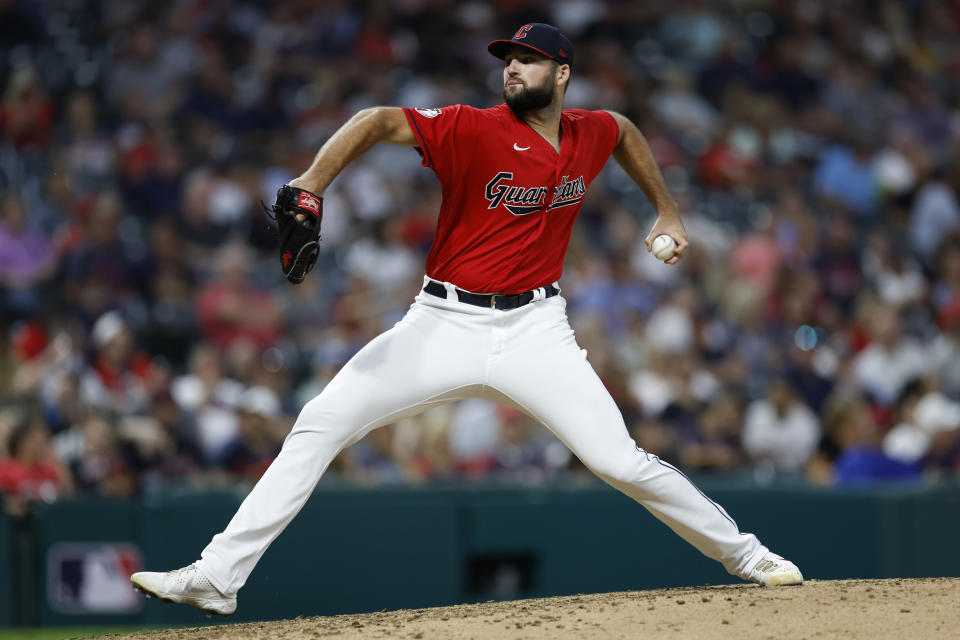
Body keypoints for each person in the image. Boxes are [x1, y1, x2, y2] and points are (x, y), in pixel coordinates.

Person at [131, 23, 803, 616]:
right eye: (508, 59)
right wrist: (311, 182)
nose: (513, 68)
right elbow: (374, 120)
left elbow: (624, 132)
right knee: (320, 424)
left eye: (529, 60)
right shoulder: (472, 128)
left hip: (537, 330)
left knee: (620, 463)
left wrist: (666, 209)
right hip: (440, 324)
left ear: (561, 74)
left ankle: (750, 557)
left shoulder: (589, 132)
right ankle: (217, 577)